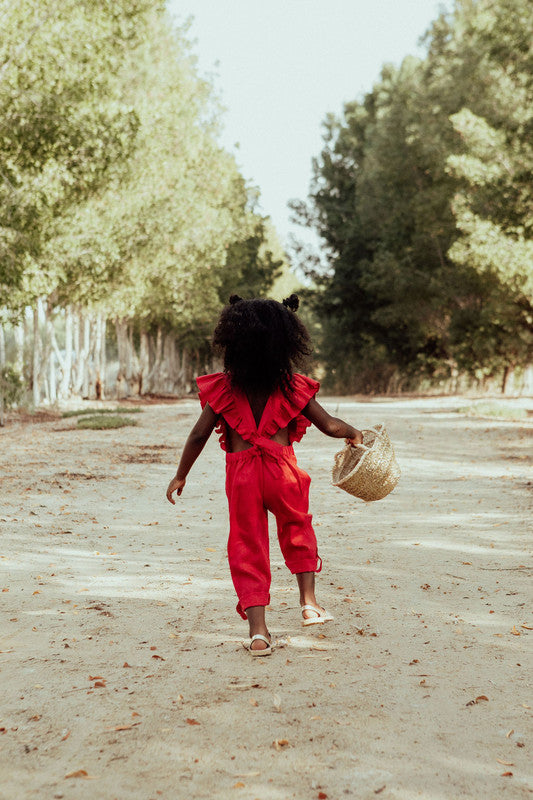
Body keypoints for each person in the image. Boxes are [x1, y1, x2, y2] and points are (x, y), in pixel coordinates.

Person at [166, 294, 363, 656]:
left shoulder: (224, 388)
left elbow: (198, 434)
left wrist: (181, 475)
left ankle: (258, 633)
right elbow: (329, 425)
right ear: (286, 341)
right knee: (297, 527)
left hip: (241, 474)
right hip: (282, 470)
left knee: (246, 544)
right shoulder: (291, 385)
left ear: (232, 343)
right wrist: (353, 432)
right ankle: (309, 603)